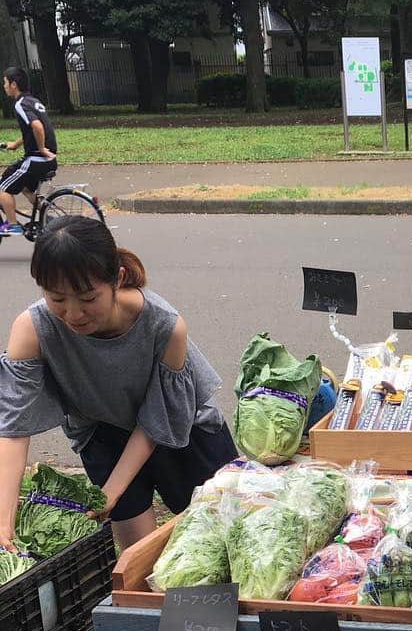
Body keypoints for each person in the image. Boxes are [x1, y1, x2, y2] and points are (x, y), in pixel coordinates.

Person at [0, 216, 237, 550]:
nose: (73, 314)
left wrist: (112, 489)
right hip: (101, 428)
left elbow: (158, 421)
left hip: (182, 427)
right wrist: (3, 522)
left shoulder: (164, 325)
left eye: (87, 298)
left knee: (220, 534)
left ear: (117, 278)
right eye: (57, 299)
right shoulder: (31, 329)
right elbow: (13, 429)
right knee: (136, 553)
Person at [0, 67, 57, 236]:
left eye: (5, 82)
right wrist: (16, 144)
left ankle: (12, 225)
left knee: (2, 188)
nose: (4, 86)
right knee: (26, 189)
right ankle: (50, 218)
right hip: (48, 159)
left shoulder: (20, 104)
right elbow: (31, 130)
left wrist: (40, 148)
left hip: (37, 158)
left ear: (14, 84)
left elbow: (37, 126)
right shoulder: (32, 101)